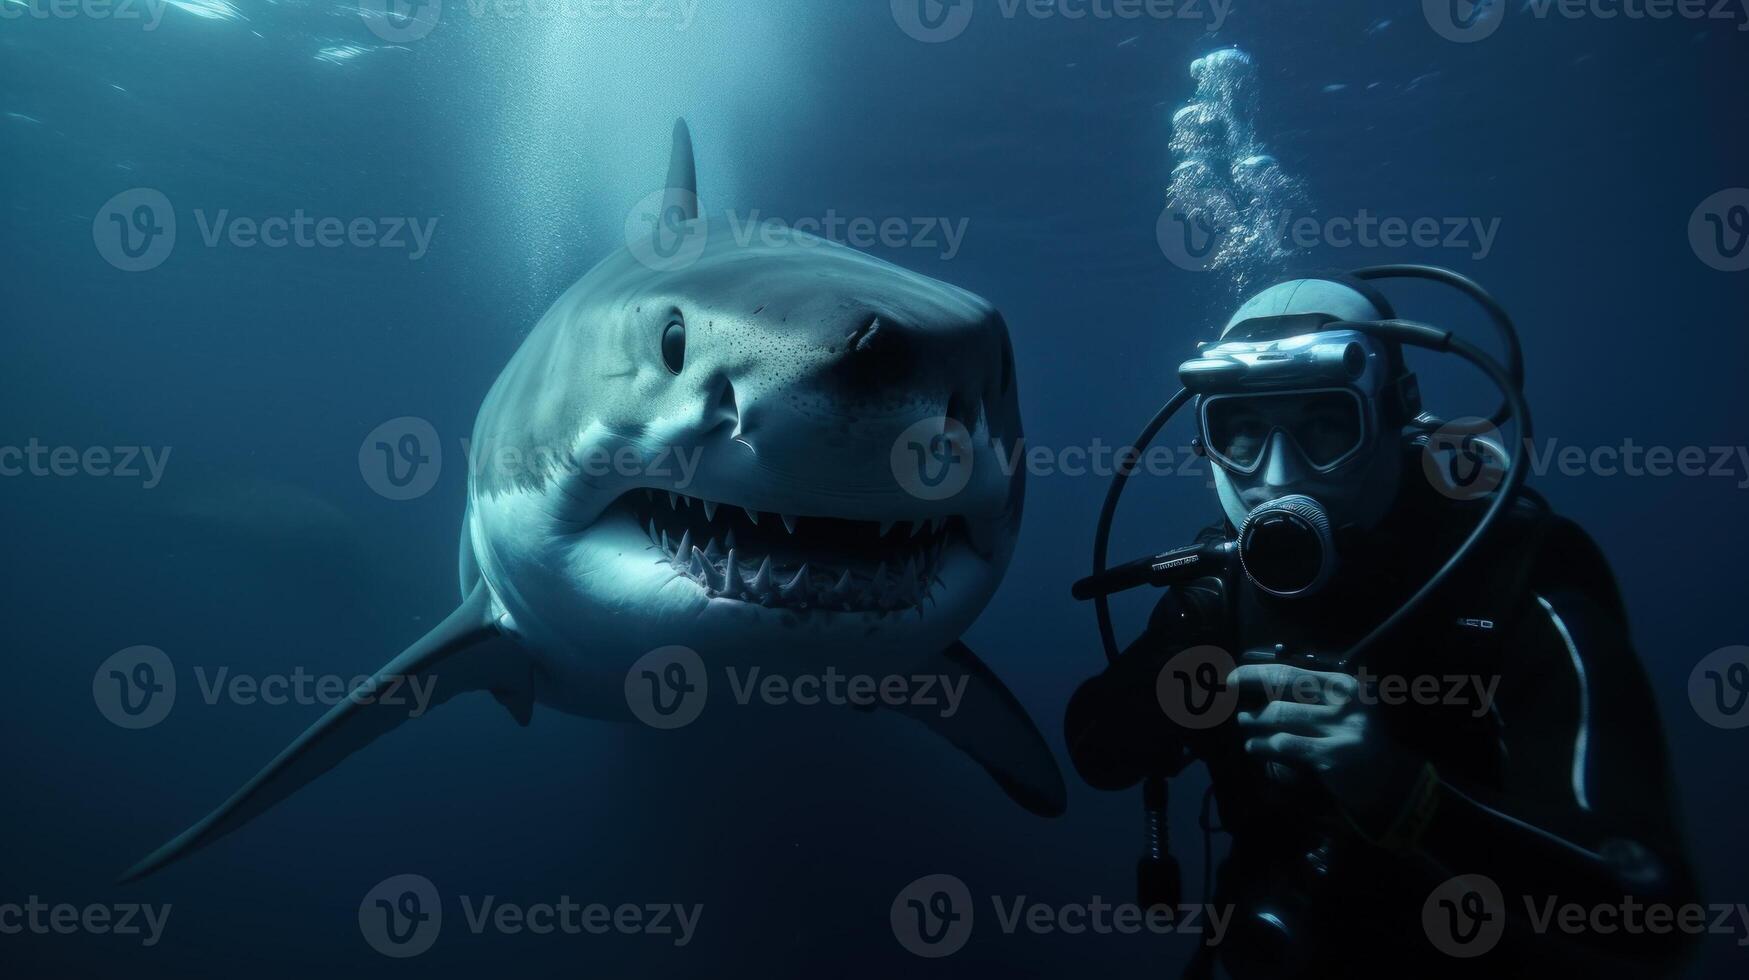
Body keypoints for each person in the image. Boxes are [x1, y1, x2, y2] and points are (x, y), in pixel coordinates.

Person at [1064, 274, 1698, 979]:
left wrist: (1404, 793)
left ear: (1394, 418)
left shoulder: (1509, 578)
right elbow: (1098, 754)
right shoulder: (1217, 597)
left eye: (1325, 427)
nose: (1276, 475)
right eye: (1240, 431)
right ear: (1205, 446)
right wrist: (1178, 667)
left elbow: (1651, 901)